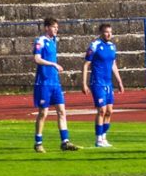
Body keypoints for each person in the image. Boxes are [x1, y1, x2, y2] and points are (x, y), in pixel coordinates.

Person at [33, 17, 80, 153]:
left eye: (57, 27)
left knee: (61, 111)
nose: (56, 30)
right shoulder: (40, 41)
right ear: (47, 27)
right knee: (43, 113)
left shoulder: (53, 41)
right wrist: (52, 64)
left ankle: (65, 141)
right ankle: (38, 142)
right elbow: (36, 58)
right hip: (44, 83)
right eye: (54, 27)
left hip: (55, 83)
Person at [81, 23, 125, 147]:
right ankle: (98, 139)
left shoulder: (112, 47)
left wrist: (119, 81)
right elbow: (85, 65)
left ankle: (104, 137)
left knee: (109, 111)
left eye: (110, 32)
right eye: (106, 32)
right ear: (101, 32)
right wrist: (84, 84)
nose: (109, 34)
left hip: (108, 83)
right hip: (97, 83)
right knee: (101, 110)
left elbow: (113, 65)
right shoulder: (94, 46)